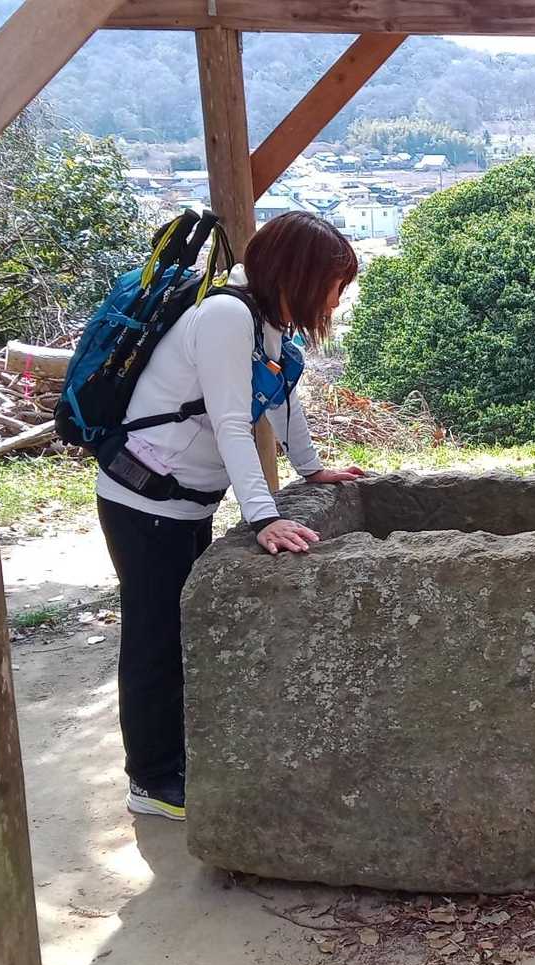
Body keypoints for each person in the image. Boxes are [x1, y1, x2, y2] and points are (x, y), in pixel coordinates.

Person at [96, 211, 364, 820]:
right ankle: (151, 781)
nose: (335, 300)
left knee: (178, 631)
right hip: (145, 503)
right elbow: (231, 422)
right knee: (154, 638)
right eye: (333, 285)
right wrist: (264, 517)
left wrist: (311, 469)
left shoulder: (264, 322)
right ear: (297, 275)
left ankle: (177, 759)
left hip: (182, 500)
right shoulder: (225, 315)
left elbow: (280, 399)